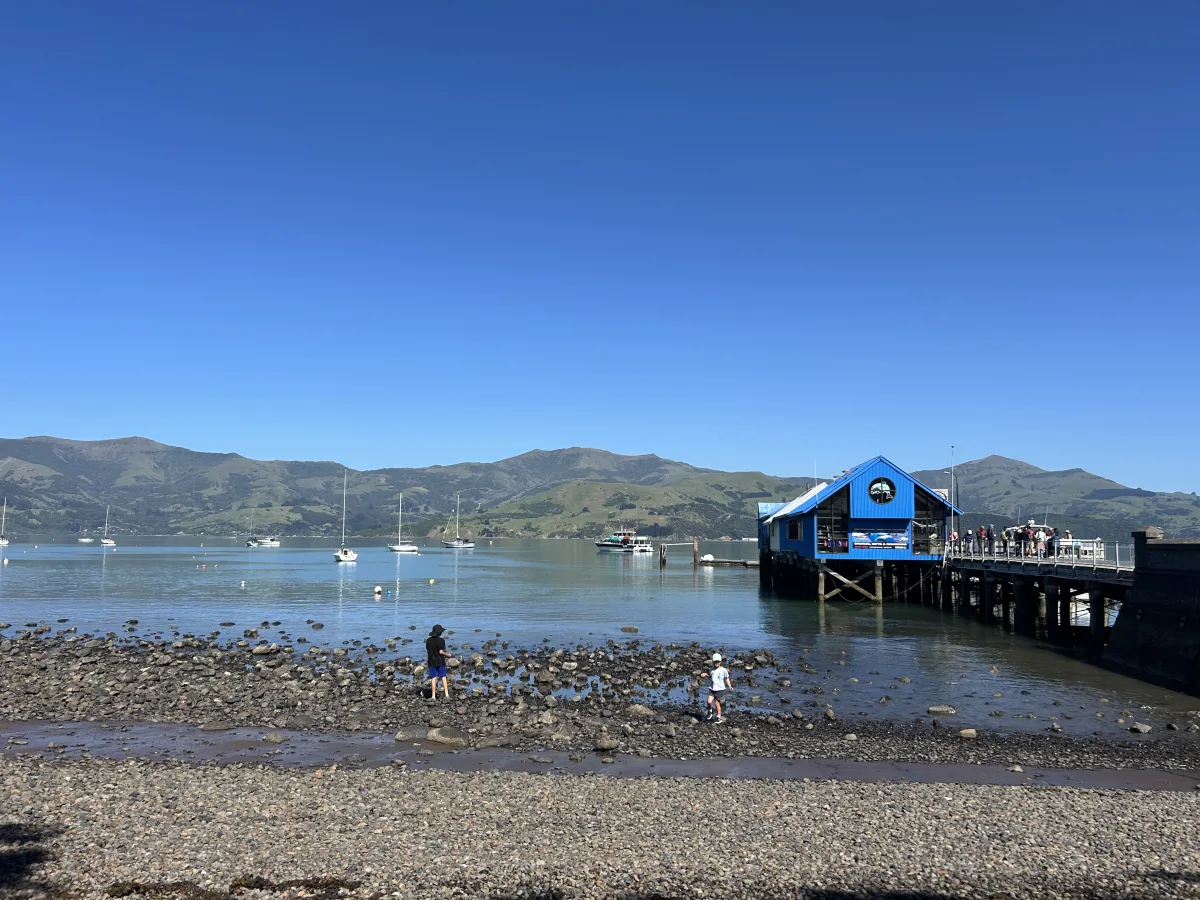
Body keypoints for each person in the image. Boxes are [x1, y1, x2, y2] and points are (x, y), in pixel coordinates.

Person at [703, 653, 733, 723]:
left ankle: (718, 717)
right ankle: (710, 711)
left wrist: (730, 686)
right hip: (712, 688)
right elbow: (711, 676)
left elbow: (726, 678)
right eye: (715, 662)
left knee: (717, 703)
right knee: (709, 701)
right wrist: (706, 675)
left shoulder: (723, 670)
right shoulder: (711, 669)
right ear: (713, 662)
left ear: (720, 662)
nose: (716, 663)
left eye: (718, 662)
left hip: (720, 689)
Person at [425, 623, 450, 701]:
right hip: (440, 661)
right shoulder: (441, 640)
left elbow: (428, 651)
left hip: (431, 661)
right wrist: (448, 655)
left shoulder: (428, 640)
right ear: (439, 632)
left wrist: (427, 660)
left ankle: (433, 696)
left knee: (433, 678)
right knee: (443, 677)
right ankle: (446, 694)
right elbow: (441, 652)